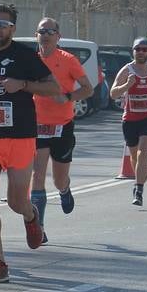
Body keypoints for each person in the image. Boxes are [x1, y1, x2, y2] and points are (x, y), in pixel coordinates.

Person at [0, 3, 57, 283]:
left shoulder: (24, 56)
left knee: (17, 201)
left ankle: (31, 217)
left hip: (20, 137)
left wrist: (23, 85)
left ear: (12, 29)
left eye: (3, 25)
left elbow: (53, 87)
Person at [30, 17, 91, 243]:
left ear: (58, 36)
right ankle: (39, 228)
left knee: (58, 179)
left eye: (50, 31)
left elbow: (87, 89)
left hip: (63, 125)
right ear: (36, 35)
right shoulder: (31, 60)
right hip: (37, 125)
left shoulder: (68, 60)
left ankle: (65, 191)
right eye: (41, 31)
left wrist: (66, 97)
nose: (45, 35)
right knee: (37, 174)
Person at [109, 37, 147, 207]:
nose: (141, 52)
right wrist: (126, 86)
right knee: (135, 156)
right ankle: (140, 177)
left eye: (144, 49)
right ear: (133, 51)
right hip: (130, 119)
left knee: (143, 152)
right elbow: (113, 93)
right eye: (138, 49)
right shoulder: (126, 71)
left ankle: (139, 188)